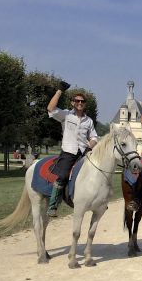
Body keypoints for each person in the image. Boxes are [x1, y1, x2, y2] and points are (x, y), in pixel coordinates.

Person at [46, 81, 98, 217]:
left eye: (82, 101)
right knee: (62, 176)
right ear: (72, 103)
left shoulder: (89, 121)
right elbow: (51, 109)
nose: (80, 103)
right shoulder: (66, 115)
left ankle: (97, 201)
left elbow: (94, 137)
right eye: (77, 101)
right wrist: (59, 90)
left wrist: (90, 145)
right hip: (68, 152)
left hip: (83, 152)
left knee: (95, 173)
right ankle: (53, 205)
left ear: (85, 104)